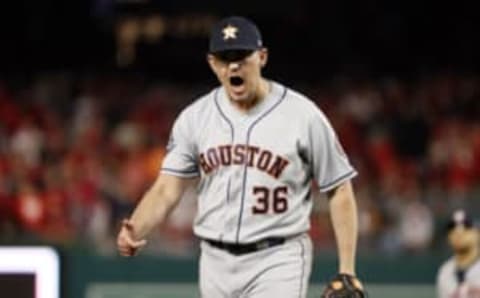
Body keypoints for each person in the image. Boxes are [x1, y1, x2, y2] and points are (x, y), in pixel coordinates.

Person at [117, 16, 365, 298]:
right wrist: (135, 227)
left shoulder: (303, 115)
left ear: (262, 57)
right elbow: (166, 189)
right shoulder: (195, 118)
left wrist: (347, 269)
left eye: (241, 56)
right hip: (214, 260)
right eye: (224, 58)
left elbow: (339, 188)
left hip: (278, 258)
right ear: (212, 63)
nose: (233, 65)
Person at [437, 210, 480, 298]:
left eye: (467, 226)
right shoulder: (445, 271)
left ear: (477, 233)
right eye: (452, 228)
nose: (458, 232)